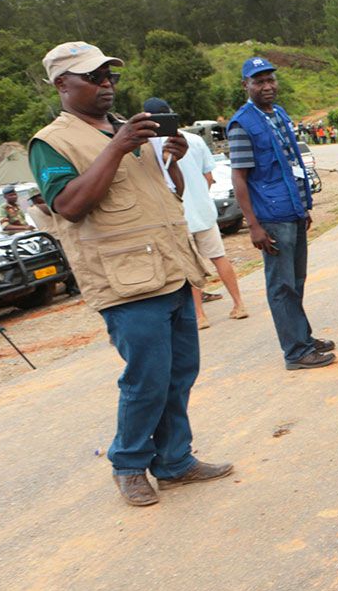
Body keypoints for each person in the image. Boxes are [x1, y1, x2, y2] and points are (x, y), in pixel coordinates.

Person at [27, 41, 231, 506]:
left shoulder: (127, 129)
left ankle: (175, 460)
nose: (106, 85)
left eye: (110, 76)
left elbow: (167, 194)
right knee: (147, 377)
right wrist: (117, 149)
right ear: (62, 84)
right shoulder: (50, 143)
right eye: (93, 77)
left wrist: (173, 160)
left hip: (171, 267)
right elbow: (70, 206)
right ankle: (128, 462)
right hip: (125, 281)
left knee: (180, 372)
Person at [226, 57, 336, 369]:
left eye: (270, 79)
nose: (267, 86)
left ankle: (302, 337)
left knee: (296, 280)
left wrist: (303, 207)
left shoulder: (279, 114)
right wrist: (253, 225)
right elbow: (240, 178)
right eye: (258, 81)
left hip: (292, 210)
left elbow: (292, 166)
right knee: (281, 285)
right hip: (271, 216)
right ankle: (296, 352)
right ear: (246, 85)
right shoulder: (242, 124)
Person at [143, 98, 247, 329]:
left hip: (177, 217)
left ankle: (200, 315)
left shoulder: (149, 146)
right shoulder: (193, 139)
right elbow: (208, 177)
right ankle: (239, 304)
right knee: (219, 257)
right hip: (204, 211)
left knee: (189, 267)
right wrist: (198, 196)